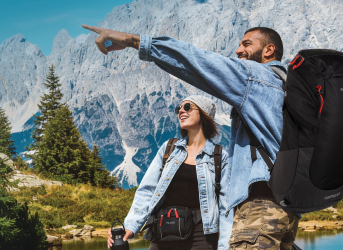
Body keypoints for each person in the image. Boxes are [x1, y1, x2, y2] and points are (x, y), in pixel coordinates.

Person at [84, 24, 297, 250]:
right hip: (286, 208)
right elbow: (148, 190)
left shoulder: (255, 77)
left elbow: (199, 62)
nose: (237, 51)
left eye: (246, 44)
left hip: (259, 207)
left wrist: (132, 40)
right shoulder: (285, 88)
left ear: (268, 50)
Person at [111, 96, 228, 250]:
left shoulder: (219, 156)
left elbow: (226, 208)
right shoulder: (168, 149)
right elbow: (147, 191)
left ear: (204, 114)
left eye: (187, 107)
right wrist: (131, 226)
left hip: (201, 239)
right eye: (178, 108)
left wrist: (224, 246)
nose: (180, 111)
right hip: (162, 234)